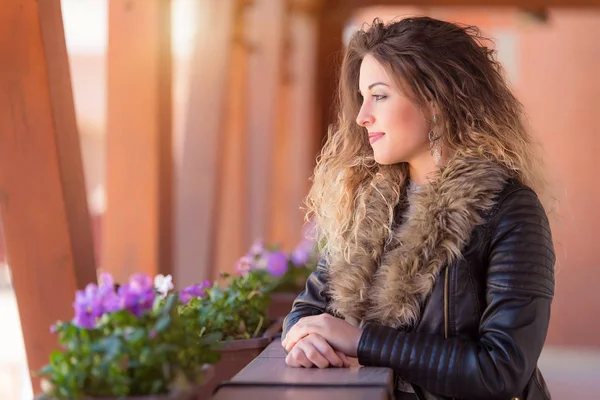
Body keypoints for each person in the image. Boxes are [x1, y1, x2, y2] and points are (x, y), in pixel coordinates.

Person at [281, 16, 555, 400]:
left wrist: (361, 341)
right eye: (362, 98)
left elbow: (501, 370)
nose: (362, 116)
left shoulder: (509, 211)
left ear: (437, 100)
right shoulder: (364, 204)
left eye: (379, 95)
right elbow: (308, 308)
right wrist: (302, 337)